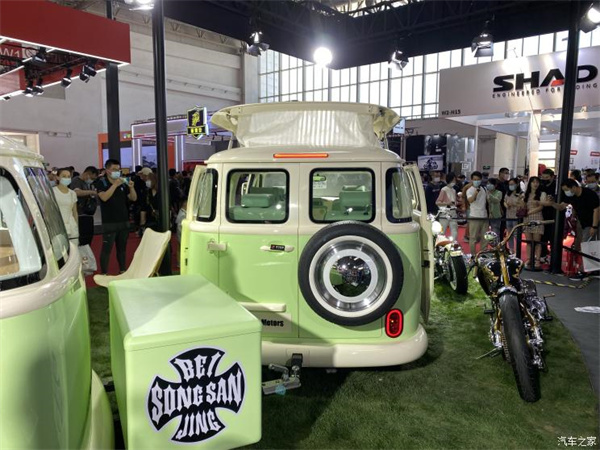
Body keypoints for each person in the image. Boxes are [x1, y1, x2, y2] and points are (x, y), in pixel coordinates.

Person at [96, 159, 137, 275]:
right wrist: (114, 185)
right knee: (107, 249)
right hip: (109, 222)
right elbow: (104, 197)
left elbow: (133, 198)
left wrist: (131, 187)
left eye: (118, 169)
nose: (117, 172)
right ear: (107, 170)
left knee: (122, 249)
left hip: (123, 221)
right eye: (114, 169)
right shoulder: (102, 182)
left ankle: (123, 270)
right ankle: (104, 273)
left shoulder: (123, 183)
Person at [554, 179, 600, 251]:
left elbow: (596, 210)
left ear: (574, 187)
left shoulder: (589, 194)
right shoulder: (571, 196)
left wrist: (594, 226)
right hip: (583, 223)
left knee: (588, 245)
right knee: (586, 245)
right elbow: (561, 207)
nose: (566, 192)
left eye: (566, 190)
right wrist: (552, 203)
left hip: (593, 223)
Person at [523, 176, 549, 269]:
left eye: (537, 182)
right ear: (530, 183)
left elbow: (541, 207)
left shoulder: (542, 194)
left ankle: (537, 260)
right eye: (533, 182)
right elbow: (523, 206)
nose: (535, 184)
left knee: (537, 242)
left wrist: (529, 212)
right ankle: (529, 259)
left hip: (537, 219)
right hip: (526, 219)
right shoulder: (526, 194)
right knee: (529, 242)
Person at [69, 166, 98, 246]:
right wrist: (91, 192)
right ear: (87, 174)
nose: (92, 180)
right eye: (92, 178)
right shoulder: (76, 181)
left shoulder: (87, 184)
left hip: (87, 213)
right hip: (80, 214)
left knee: (88, 238)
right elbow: (76, 192)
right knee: (82, 239)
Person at [53, 168, 79, 245]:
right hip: (57, 225)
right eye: (64, 176)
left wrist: (76, 226)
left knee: (73, 248)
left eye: (68, 176)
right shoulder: (53, 191)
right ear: (58, 177)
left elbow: (75, 212)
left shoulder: (72, 193)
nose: (67, 178)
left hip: (71, 225)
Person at [466, 171, 488, 255]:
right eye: (475, 179)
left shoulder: (484, 189)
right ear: (471, 180)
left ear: (481, 180)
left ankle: (483, 254)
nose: (476, 181)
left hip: (484, 216)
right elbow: (470, 200)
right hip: (474, 216)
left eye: (478, 179)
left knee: (485, 237)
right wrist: (475, 193)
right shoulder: (470, 190)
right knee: (473, 238)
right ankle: (473, 255)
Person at [539, 168, 557, 264]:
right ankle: (543, 254)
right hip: (542, 214)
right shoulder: (541, 186)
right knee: (543, 236)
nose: (544, 179)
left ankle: (554, 257)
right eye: (543, 177)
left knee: (552, 236)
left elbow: (552, 202)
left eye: (547, 177)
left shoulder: (556, 187)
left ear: (552, 177)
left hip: (553, 215)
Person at [435, 173, 458, 240]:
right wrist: (447, 203)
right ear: (449, 180)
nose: (454, 182)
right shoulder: (444, 190)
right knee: (442, 231)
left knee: (454, 230)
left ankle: (453, 243)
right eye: (453, 180)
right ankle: (440, 243)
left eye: (455, 180)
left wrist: (455, 203)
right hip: (444, 212)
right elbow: (437, 202)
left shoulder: (454, 190)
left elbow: (454, 201)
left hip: (453, 211)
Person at [504, 177, 523, 252]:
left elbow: (522, 205)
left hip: (516, 216)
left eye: (512, 184)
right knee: (509, 234)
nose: (511, 186)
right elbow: (504, 201)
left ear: (517, 184)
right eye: (510, 184)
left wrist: (515, 204)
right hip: (508, 215)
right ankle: (511, 249)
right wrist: (506, 205)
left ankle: (518, 250)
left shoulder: (521, 194)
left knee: (516, 234)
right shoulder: (508, 193)